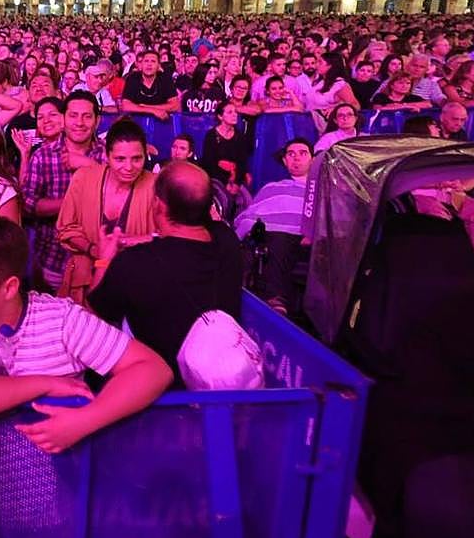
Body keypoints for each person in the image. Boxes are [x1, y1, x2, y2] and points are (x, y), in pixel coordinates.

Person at [0, 216, 172, 452]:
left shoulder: (63, 320)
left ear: (9, 287)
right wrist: (45, 384)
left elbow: (153, 370)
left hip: (61, 482)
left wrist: (84, 420)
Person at [88, 162, 243, 378]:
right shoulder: (228, 240)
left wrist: (103, 260)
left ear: (160, 205)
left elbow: (96, 314)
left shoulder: (135, 263)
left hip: (159, 391)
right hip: (222, 378)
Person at [57, 119, 158, 304]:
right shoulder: (84, 178)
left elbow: (170, 236)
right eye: (119, 159)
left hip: (136, 284)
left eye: (137, 159)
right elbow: (66, 228)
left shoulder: (156, 185)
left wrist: (128, 241)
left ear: (146, 155)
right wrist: (94, 250)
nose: (128, 167)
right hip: (85, 282)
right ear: (106, 156)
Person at [22, 91, 103, 292]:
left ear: (97, 121)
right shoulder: (42, 156)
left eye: (87, 116)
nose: (80, 122)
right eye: (73, 115)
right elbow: (28, 204)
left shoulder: (106, 155)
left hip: (96, 258)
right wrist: (71, 203)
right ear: (64, 119)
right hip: (52, 258)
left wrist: (89, 165)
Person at [235, 139, 313, 315]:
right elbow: (248, 214)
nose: (296, 158)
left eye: (302, 153)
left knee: (279, 239)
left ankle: (276, 300)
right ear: (285, 161)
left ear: (312, 159)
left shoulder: (319, 190)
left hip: (298, 239)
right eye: (291, 154)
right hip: (262, 236)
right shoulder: (271, 187)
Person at [120, 51, 179, 120]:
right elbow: (126, 106)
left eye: (153, 61)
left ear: (158, 66)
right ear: (141, 65)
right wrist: (153, 111)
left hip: (162, 123)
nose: (149, 64)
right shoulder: (132, 78)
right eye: (146, 61)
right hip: (136, 123)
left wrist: (144, 107)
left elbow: (175, 106)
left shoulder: (165, 78)